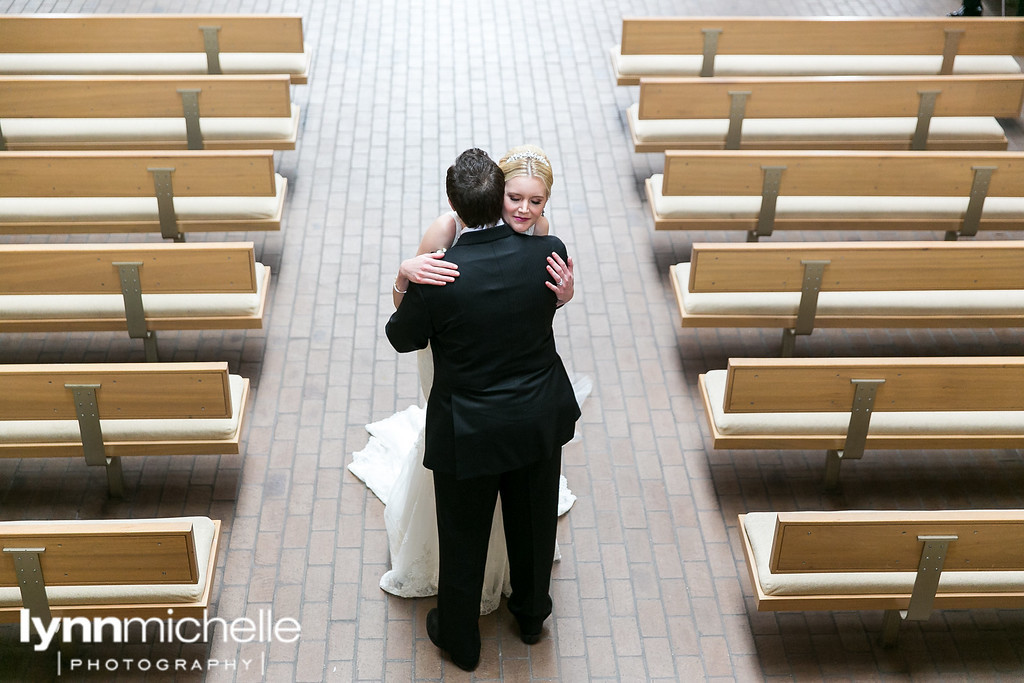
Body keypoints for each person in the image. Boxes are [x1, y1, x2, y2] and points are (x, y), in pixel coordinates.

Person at [349, 145, 586, 617]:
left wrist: (565, 295)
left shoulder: (535, 246)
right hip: (516, 395)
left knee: (464, 521)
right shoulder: (459, 235)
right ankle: (532, 613)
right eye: (515, 198)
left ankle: (462, 630)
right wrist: (408, 274)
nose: (524, 209)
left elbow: (405, 333)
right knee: (529, 518)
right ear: (495, 194)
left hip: (472, 403)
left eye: (535, 202)